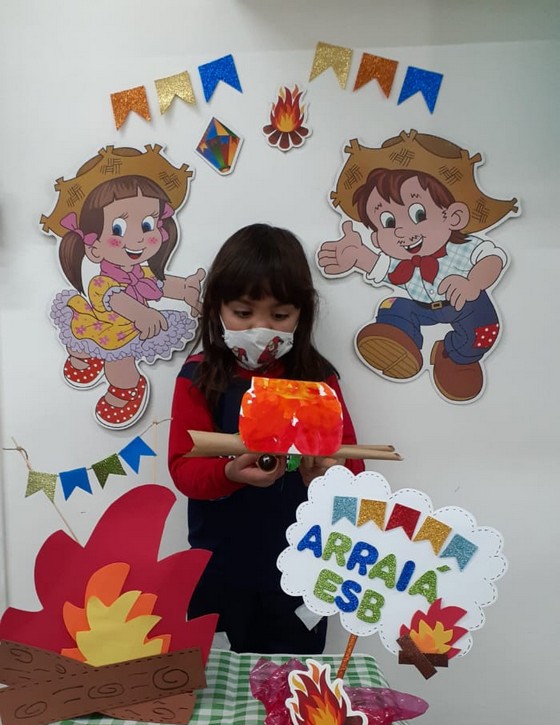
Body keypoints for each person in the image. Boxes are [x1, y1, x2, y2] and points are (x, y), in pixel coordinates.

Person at [168, 224, 364, 654]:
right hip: (219, 563)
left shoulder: (318, 378)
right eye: (243, 313)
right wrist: (229, 473)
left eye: (279, 316)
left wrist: (327, 476)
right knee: (217, 677)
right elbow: (183, 469)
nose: (261, 329)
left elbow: (352, 466)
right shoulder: (200, 376)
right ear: (217, 308)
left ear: (302, 314)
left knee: (295, 678)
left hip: (302, 563)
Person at [318, 131, 517, 402]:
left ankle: (455, 357)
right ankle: (400, 341)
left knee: (483, 330)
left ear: (454, 216)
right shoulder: (400, 262)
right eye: (387, 222)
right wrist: (356, 257)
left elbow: (493, 259)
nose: (401, 230)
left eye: (418, 214)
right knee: (392, 306)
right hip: (423, 307)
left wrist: (473, 282)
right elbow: (377, 265)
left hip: (465, 303)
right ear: (376, 237)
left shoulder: (463, 247)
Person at [42, 145, 205, 429]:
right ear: (93, 247)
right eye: (118, 228)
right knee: (80, 343)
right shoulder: (101, 282)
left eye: (147, 224)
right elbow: (116, 299)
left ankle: (126, 388)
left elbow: (160, 284)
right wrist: (142, 314)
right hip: (104, 325)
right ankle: (91, 361)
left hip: (126, 335)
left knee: (120, 367)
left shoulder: (142, 272)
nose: (138, 238)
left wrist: (185, 289)